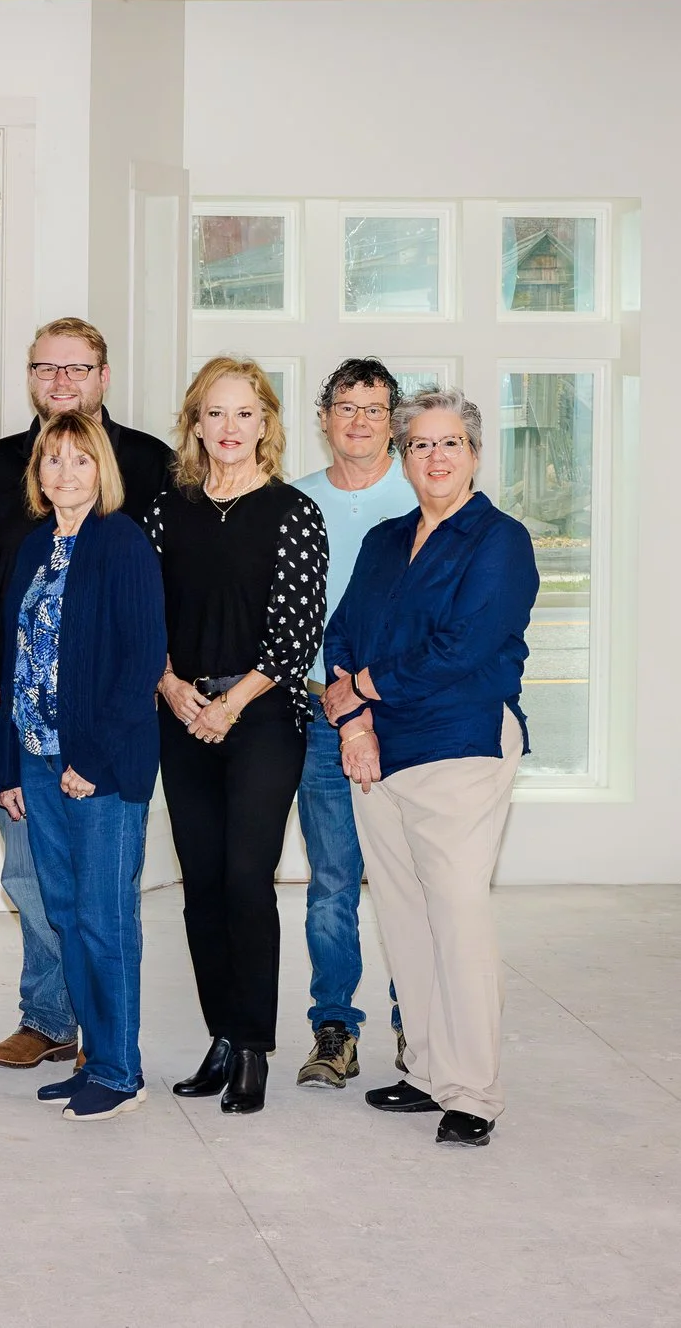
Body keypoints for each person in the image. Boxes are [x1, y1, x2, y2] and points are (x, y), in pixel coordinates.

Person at [324, 388, 539, 1148]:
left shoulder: (500, 541)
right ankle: (425, 1069)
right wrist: (354, 721)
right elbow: (341, 633)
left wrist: (365, 688)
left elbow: (466, 646)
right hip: (378, 753)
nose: (435, 457)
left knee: (457, 915)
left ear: (475, 455)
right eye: (419, 444)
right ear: (403, 456)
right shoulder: (385, 540)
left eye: (450, 443)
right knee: (405, 918)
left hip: (461, 744)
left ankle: (473, 1090)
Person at [0, 316, 170, 1072]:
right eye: (44, 368)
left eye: (75, 367)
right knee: (44, 888)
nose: (60, 381)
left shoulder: (141, 488)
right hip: (27, 729)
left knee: (104, 907)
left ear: (103, 375)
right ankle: (56, 1025)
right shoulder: (4, 485)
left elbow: (147, 629)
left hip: (101, 733)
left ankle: (111, 1057)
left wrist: (105, 737)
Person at [146, 357, 328, 1115]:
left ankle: (253, 1045)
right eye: (215, 414)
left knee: (248, 879)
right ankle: (220, 1034)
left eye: (244, 414)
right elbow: (144, 614)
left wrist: (230, 703)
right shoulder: (165, 510)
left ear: (266, 425)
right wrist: (170, 685)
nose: (229, 429)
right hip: (180, 711)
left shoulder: (293, 512)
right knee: (202, 885)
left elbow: (296, 632)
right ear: (195, 423)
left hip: (260, 717)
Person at [0, 412, 166, 1122]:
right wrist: (9, 766)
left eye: (80, 460)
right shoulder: (35, 547)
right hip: (36, 761)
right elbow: (14, 665)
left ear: (103, 470)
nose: (65, 473)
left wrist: (89, 761)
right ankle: (93, 1058)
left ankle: (122, 1071)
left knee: (105, 917)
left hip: (101, 766)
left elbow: (141, 661)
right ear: (37, 473)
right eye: (52, 461)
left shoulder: (123, 544)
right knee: (64, 914)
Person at [287, 359, 419, 1088]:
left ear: (394, 422)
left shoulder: (425, 491)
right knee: (333, 877)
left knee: (410, 879)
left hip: (407, 713)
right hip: (318, 712)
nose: (359, 420)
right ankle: (334, 1027)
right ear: (325, 416)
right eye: (346, 405)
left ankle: (415, 1019)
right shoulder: (294, 500)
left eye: (374, 408)